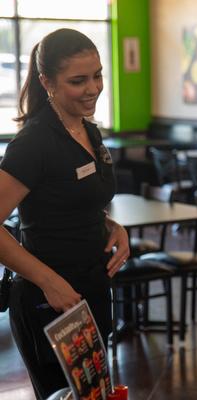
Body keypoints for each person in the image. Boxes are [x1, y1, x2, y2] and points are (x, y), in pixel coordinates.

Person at [0, 29, 130, 399]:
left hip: (92, 290)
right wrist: (48, 281)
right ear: (47, 82)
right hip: (49, 302)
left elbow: (74, 199)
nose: (93, 88)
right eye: (78, 81)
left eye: (97, 75)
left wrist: (111, 224)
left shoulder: (89, 131)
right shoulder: (34, 143)